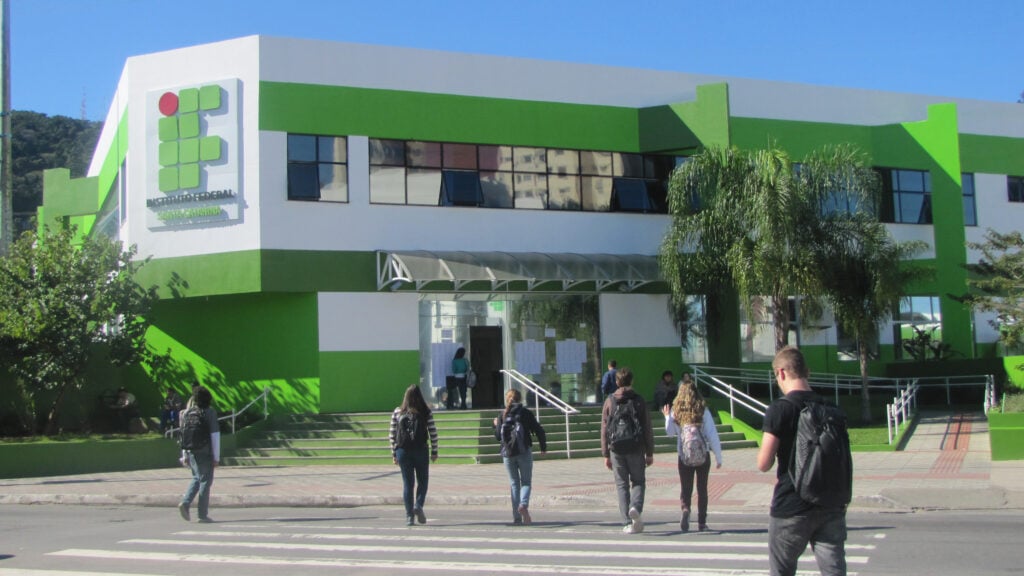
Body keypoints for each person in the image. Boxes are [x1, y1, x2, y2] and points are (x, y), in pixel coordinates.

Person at [757, 346, 847, 576]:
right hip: (830, 503)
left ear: (781, 373)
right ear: (806, 371)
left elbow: (763, 462)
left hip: (791, 505)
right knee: (834, 570)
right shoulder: (831, 408)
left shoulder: (780, 409)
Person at [662, 377, 722, 532]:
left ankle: (685, 509)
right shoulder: (703, 410)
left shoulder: (677, 412)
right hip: (703, 455)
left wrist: (667, 417)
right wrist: (718, 457)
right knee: (702, 489)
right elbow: (712, 434)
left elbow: (670, 433)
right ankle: (702, 522)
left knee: (686, 487)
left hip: (684, 456)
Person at [600, 367, 655, 534]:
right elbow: (647, 427)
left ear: (617, 382)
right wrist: (650, 452)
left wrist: (605, 453)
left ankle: (626, 522)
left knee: (621, 485)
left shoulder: (610, 401)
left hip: (616, 448)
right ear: (631, 381)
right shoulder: (638, 400)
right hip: (636, 447)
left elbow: (604, 428)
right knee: (638, 481)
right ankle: (635, 507)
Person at [492, 388, 548, 525]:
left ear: (507, 400)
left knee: (514, 483)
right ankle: (523, 504)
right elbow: (539, 429)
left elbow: (498, 436)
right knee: (526, 482)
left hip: (507, 454)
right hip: (524, 452)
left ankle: (516, 517)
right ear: (520, 399)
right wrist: (543, 447)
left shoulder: (502, 415)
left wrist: (496, 425)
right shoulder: (525, 413)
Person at [389, 384, 439, 526]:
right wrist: (434, 451)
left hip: (403, 451)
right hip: (421, 450)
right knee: (423, 481)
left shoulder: (398, 412)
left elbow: (392, 434)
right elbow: (433, 432)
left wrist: (394, 453)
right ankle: (418, 505)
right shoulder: (425, 411)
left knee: (407, 483)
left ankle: (409, 517)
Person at [178, 386, 220, 523]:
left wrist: (184, 454)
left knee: (197, 478)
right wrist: (216, 457)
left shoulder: (188, 412)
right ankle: (202, 514)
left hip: (191, 451)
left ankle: (185, 502)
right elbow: (215, 435)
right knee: (205, 481)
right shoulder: (209, 412)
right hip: (205, 451)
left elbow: (183, 434)